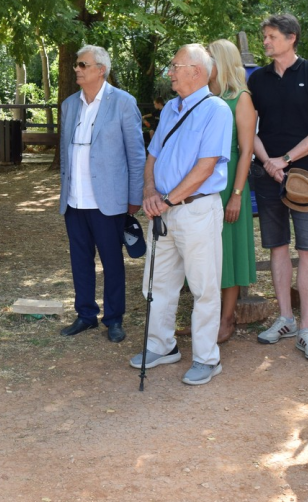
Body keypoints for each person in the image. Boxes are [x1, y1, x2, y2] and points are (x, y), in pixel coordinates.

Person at [128, 44, 232, 384]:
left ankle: (206, 358)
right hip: (164, 208)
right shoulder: (171, 107)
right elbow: (153, 155)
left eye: (175, 66)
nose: (169, 72)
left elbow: (205, 168)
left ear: (196, 71)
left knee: (203, 287)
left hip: (196, 209)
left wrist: (167, 199)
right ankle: (162, 346)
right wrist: (149, 193)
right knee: (158, 282)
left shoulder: (216, 109)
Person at [248, 13, 308, 361]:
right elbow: (248, 129)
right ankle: (284, 319)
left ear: (291, 37)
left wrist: (285, 158)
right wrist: (269, 162)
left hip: (305, 177)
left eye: (271, 36)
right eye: (265, 36)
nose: (266, 41)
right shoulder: (257, 80)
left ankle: (306, 328)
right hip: (267, 174)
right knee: (278, 247)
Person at [57, 45, 145, 343]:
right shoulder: (69, 104)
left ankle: (114, 318)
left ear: (100, 69)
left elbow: (136, 154)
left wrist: (135, 198)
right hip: (74, 199)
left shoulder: (122, 102)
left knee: (112, 261)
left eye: (83, 65)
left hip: (108, 200)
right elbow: (64, 151)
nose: (77, 69)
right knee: (80, 259)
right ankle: (85, 315)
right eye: (77, 65)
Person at [207, 38, 258, 343]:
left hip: (229, 185)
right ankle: (207, 318)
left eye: (209, 58)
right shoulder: (203, 97)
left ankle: (227, 320)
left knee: (229, 252)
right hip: (202, 186)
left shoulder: (241, 98)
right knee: (206, 254)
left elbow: (247, 150)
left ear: (221, 62)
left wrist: (237, 195)